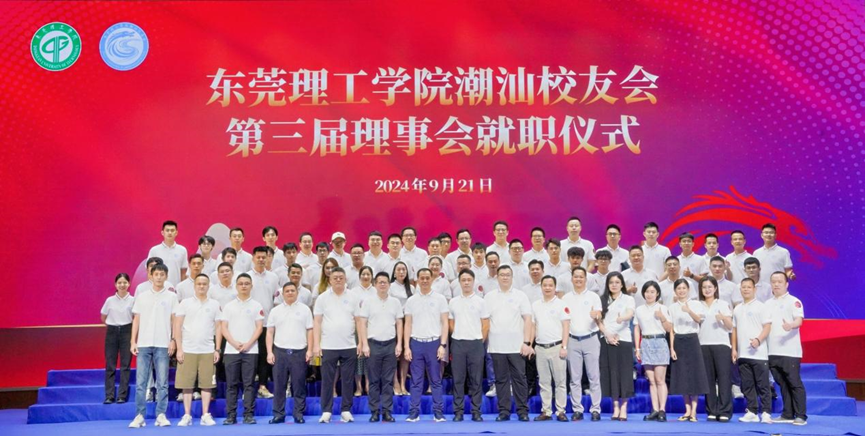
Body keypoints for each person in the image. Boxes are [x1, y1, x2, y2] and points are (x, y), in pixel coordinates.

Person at [129, 264, 177, 428]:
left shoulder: (171, 297)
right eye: (156, 274)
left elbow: (174, 320)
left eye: (162, 274)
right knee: (141, 383)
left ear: (166, 276)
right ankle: (139, 416)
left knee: (162, 383)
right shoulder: (142, 296)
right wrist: (133, 341)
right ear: (150, 276)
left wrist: (173, 340)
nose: (159, 277)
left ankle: (161, 415)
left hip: (163, 343)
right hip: (143, 344)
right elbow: (136, 320)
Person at [485, 265, 533, 422]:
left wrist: (527, 342)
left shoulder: (521, 296)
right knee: (501, 380)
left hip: (517, 346)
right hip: (496, 346)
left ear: (512, 277)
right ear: (497, 277)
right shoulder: (489, 297)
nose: (505, 277)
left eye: (508, 275)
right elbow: (485, 321)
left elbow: (528, 320)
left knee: (520, 379)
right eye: (502, 275)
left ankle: (522, 411)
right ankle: (504, 411)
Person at [313, 268, 361, 423]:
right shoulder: (322, 298)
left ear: (345, 279)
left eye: (341, 277)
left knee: (348, 380)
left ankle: (346, 410)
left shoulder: (353, 297)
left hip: (349, 345)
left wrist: (361, 342)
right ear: (330, 280)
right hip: (328, 345)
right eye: (335, 278)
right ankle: (326, 411)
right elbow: (317, 322)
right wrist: (316, 344)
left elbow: (359, 321)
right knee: (327, 380)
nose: (338, 280)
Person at [173, 274, 221, 426]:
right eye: (199, 283)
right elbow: (177, 326)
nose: (201, 286)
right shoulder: (185, 303)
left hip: (207, 350)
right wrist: (179, 349)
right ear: (194, 286)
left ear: (208, 286)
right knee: (187, 384)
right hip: (188, 349)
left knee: (207, 384)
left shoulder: (214, 304)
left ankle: (205, 414)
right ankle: (187, 415)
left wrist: (217, 349)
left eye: (204, 284)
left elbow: (218, 327)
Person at [403, 268, 450, 422]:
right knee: (416, 381)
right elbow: (408, 324)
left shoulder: (440, 299)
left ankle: (438, 412)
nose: (424, 281)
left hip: (434, 343)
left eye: (427, 278)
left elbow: (445, 323)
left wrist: (443, 345)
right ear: (417, 280)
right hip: (416, 343)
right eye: (421, 278)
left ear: (431, 279)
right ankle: (414, 412)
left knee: (435, 380)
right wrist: (406, 346)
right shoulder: (411, 301)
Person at [358, 272, 403, 423]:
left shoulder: (395, 302)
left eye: (385, 282)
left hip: (390, 344)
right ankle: (375, 411)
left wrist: (399, 343)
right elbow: (362, 324)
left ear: (389, 285)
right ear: (375, 284)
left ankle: (387, 411)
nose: (382, 284)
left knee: (388, 380)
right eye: (380, 282)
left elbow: (399, 323)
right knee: (374, 380)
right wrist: (364, 344)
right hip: (373, 344)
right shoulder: (368, 302)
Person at [266, 282, 313, 424]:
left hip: (299, 352)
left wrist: (310, 350)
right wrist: (269, 352)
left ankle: (298, 413)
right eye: (287, 291)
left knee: (299, 385)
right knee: (279, 385)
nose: (290, 293)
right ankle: (278, 414)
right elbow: (270, 332)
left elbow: (310, 331)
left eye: (293, 290)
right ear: (282, 294)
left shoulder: (305, 310)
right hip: (279, 351)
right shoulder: (275, 311)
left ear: (297, 293)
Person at [220, 274, 263, 425]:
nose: (244, 286)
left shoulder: (256, 305)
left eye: (247, 283)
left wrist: (248, 344)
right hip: (231, 351)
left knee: (249, 384)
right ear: (236, 286)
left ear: (251, 286)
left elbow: (259, 328)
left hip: (251, 350)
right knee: (231, 385)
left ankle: (248, 414)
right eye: (241, 283)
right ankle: (231, 415)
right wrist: (234, 343)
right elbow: (223, 328)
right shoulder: (229, 306)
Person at [765, 272, 807, 426]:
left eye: (779, 281)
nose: (776, 284)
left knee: (794, 383)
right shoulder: (767, 304)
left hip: (789, 351)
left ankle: (801, 415)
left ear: (786, 284)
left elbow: (799, 320)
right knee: (781, 383)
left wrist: (791, 325)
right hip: (772, 350)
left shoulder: (794, 301)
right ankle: (787, 413)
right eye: (773, 281)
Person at [561, 266, 603, 421]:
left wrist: (597, 315)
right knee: (575, 378)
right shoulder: (565, 298)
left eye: (581, 277)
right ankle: (577, 409)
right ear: (572, 279)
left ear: (586, 279)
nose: (578, 279)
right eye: (576, 276)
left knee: (594, 377)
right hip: (572, 340)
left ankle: (595, 409)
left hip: (591, 338)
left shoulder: (593, 296)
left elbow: (599, 315)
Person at [448, 269, 489, 422]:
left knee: (476, 379)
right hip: (458, 343)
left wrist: (479, 340)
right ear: (459, 282)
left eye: (469, 280)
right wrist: (459, 334)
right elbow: (451, 323)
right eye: (463, 280)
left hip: (476, 343)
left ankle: (476, 411)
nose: (466, 283)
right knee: (458, 379)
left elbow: (486, 325)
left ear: (473, 281)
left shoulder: (481, 301)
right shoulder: (453, 302)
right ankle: (458, 412)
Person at [732, 278, 773, 424]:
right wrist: (734, 349)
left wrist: (758, 340)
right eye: (743, 287)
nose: (746, 289)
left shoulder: (761, 307)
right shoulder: (737, 309)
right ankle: (752, 411)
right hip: (743, 354)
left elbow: (767, 327)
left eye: (749, 287)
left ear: (754, 289)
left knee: (763, 385)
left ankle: (766, 413)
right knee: (747, 385)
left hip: (759, 354)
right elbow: (734, 330)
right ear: (740, 290)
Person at [669, 278, 709, 422]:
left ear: (688, 289)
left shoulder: (696, 304)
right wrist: (672, 348)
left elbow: (699, 320)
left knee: (695, 375)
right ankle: (687, 410)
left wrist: (688, 310)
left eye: (684, 288)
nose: (681, 291)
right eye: (678, 288)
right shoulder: (672, 307)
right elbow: (672, 329)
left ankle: (694, 411)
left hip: (692, 339)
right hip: (679, 340)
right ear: (675, 291)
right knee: (682, 376)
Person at [531, 275, 569, 422]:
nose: (547, 288)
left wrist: (564, 346)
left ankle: (561, 411)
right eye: (545, 285)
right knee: (544, 382)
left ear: (555, 287)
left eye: (550, 285)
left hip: (557, 346)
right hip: (540, 348)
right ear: (541, 287)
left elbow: (566, 326)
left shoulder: (561, 304)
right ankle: (546, 411)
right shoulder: (535, 305)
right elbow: (533, 326)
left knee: (560, 382)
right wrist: (531, 345)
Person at [599, 272, 636, 421]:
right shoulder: (602, 300)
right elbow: (599, 321)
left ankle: (624, 407)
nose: (614, 285)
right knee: (611, 373)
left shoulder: (628, 299)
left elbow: (630, 314)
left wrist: (622, 318)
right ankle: (615, 407)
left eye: (617, 282)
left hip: (623, 339)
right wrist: (607, 334)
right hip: (607, 339)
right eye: (611, 282)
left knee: (625, 373)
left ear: (622, 284)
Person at [697, 276, 734, 422]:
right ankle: (711, 410)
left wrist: (723, 318)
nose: (707, 290)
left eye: (709, 287)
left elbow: (730, 327)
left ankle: (725, 410)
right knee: (708, 380)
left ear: (715, 288)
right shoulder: (697, 305)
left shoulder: (723, 304)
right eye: (704, 287)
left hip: (721, 344)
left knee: (724, 378)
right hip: (703, 345)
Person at [634, 281, 672, 422]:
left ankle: (662, 410)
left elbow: (669, 329)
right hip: (646, 342)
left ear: (657, 294)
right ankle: (655, 409)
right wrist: (637, 348)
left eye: (652, 292)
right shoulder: (639, 309)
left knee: (660, 380)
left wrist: (662, 317)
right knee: (651, 381)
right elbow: (637, 329)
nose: (649, 294)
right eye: (647, 291)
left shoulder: (663, 308)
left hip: (660, 341)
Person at [248, 247, 279, 399]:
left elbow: (276, 300)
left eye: (263, 257)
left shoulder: (273, 277)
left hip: (267, 323)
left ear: (268, 258)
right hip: (249, 325)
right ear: (253, 258)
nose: (261, 260)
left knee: (264, 356)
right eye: (258, 257)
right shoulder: (246, 276)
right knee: (249, 357)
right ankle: (248, 390)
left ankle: (262, 386)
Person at [101, 273, 134, 404]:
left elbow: (136, 317)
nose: (122, 285)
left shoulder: (133, 300)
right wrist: (112, 325)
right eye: (119, 283)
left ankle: (122, 395)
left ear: (129, 284)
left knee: (125, 365)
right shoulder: (110, 300)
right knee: (110, 364)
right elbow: (103, 316)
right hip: (112, 331)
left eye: (124, 282)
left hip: (127, 331)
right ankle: (109, 395)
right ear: (115, 285)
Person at [389, 261, 415, 395]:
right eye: (398, 269)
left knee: (405, 354)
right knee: (394, 354)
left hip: (408, 322)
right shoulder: (390, 287)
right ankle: (396, 383)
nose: (401, 272)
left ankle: (404, 384)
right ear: (394, 273)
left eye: (403, 269)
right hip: (393, 323)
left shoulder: (412, 288)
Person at [147, 220, 189, 286]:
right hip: (158, 287)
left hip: (175, 287)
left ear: (176, 233)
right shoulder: (154, 250)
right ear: (162, 232)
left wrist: (181, 288)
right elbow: (149, 272)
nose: (170, 233)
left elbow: (183, 272)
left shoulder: (182, 250)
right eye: (167, 230)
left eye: (172, 230)